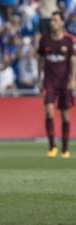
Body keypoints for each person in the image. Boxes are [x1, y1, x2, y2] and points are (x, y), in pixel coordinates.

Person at [38, 11, 76, 159]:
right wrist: (39, 77)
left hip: (65, 81)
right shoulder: (44, 40)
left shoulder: (69, 40)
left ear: (62, 23)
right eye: (51, 20)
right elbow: (40, 60)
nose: (52, 23)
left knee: (65, 115)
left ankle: (65, 148)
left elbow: (73, 61)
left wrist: (73, 80)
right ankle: (52, 146)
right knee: (48, 110)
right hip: (49, 81)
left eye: (55, 20)